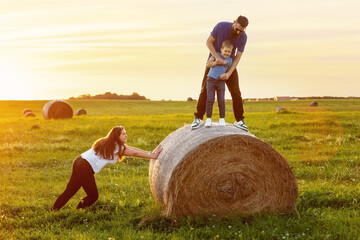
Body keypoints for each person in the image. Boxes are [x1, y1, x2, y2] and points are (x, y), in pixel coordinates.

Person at [51, 126, 162, 211]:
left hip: (79, 160)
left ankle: (53, 210)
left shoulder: (110, 142)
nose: (126, 135)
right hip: (84, 166)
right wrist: (152, 156)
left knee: (70, 191)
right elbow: (134, 153)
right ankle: (78, 211)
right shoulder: (116, 146)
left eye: (125, 133)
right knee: (93, 196)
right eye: (123, 134)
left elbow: (132, 149)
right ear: (117, 136)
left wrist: (150, 153)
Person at [191, 15, 249, 131]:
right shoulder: (221, 26)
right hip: (213, 63)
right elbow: (208, 42)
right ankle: (198, 118)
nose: (238, 32)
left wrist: (229, 73)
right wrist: (217, 58)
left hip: (229, 64)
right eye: (237, 29)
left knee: (236, 92)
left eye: (241, 31)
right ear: (234, 22)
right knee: (205, 90)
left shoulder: (243, 37)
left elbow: (237, 57)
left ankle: (239, 120)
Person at [204, 40, 234, 127]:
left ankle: (222, 119)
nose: (227, 53)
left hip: (221, 82)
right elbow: (208, 64)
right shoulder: (215, 55)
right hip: (211, 80)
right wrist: (216, 62)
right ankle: (208, 118)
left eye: (229, 52)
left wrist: (225, 75)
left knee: (221, 100)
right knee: (210, 99)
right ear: (221, 49)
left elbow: (228, 70)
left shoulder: (229, 60)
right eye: (225, 51)